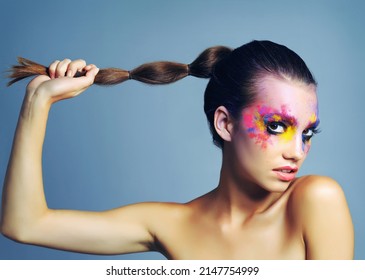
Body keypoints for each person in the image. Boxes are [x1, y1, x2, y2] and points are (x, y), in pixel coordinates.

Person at [0, 40, 354, 259]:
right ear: (225, 123)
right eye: (276, 126)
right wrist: (38, 100)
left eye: (307, 133)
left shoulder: (315, 200)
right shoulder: (171, 224)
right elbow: (25, 225)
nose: (297, 151)